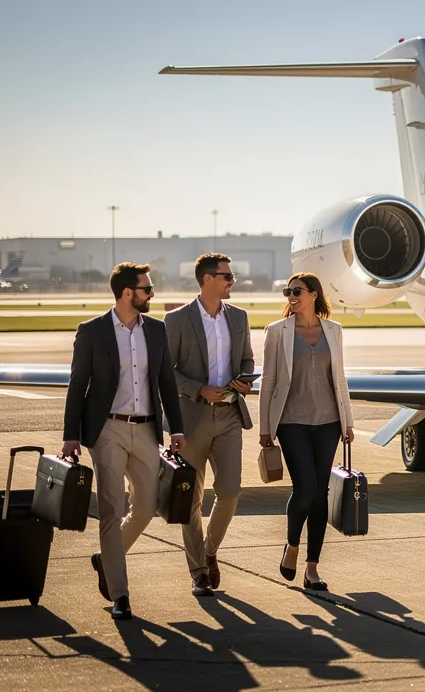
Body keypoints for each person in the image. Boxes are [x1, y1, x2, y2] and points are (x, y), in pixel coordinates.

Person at [62, 262, 186, 621]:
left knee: (147, 506)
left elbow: (166, 384)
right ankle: (120, 594)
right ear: (127, 293)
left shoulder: (157, 331)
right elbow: (77, 385)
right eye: (147, 289)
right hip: (108, 431)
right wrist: (71, 434)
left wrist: (175, 428)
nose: (152, 294)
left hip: (147, 430)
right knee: (112, 509)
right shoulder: (92, 332)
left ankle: (106, 559)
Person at [164, 253, 255, 597]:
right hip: (192, 417)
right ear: (207, 280)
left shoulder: (239, 317)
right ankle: (199, 571)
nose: (233, 282)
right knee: (191, 499)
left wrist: (244, 379)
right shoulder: (176, 320)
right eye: (227, 277)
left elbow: (246, 357)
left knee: (230, 492)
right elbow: (166, 371)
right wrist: (198, 389)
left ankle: (209, 551)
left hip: (230, 415)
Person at [259, 273, 353, 591]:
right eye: (288, 291)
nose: (291, 296)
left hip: (328, 421)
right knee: (306, 489)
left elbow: (339, 379)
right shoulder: (277, 332)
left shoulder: (333, 331)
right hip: (291, 421)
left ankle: (312, 567)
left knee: (321, 494)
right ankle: (292, 546)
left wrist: (348, 421)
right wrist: (265, 428)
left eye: (296, 291)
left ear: (313, 294)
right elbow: (268, 382)